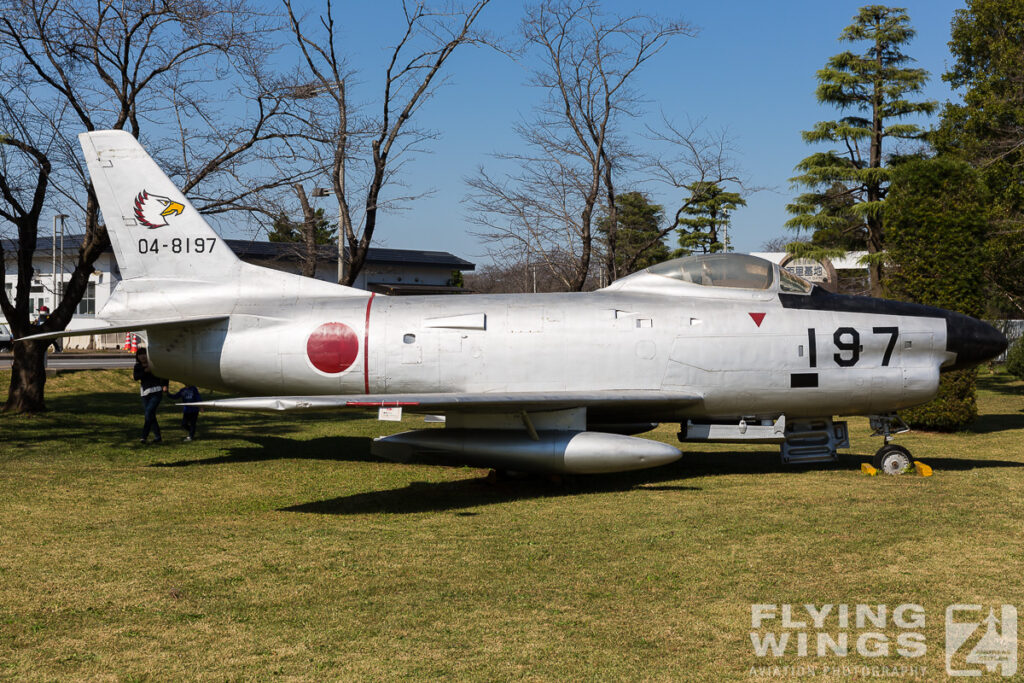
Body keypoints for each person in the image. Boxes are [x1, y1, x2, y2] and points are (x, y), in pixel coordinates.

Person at [133, 348, 168, 443]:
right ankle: (158, 437)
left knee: (148, 413)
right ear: (137, 357)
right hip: (144, 393)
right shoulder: (138, 366)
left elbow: (164, 374)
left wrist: (165, 385)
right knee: (151, 415)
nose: (142, 356)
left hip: (156, 392)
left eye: (144, 354)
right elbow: (136, 377)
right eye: (140, 354)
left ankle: (144, 436)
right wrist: (145, 371)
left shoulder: (154, 364)